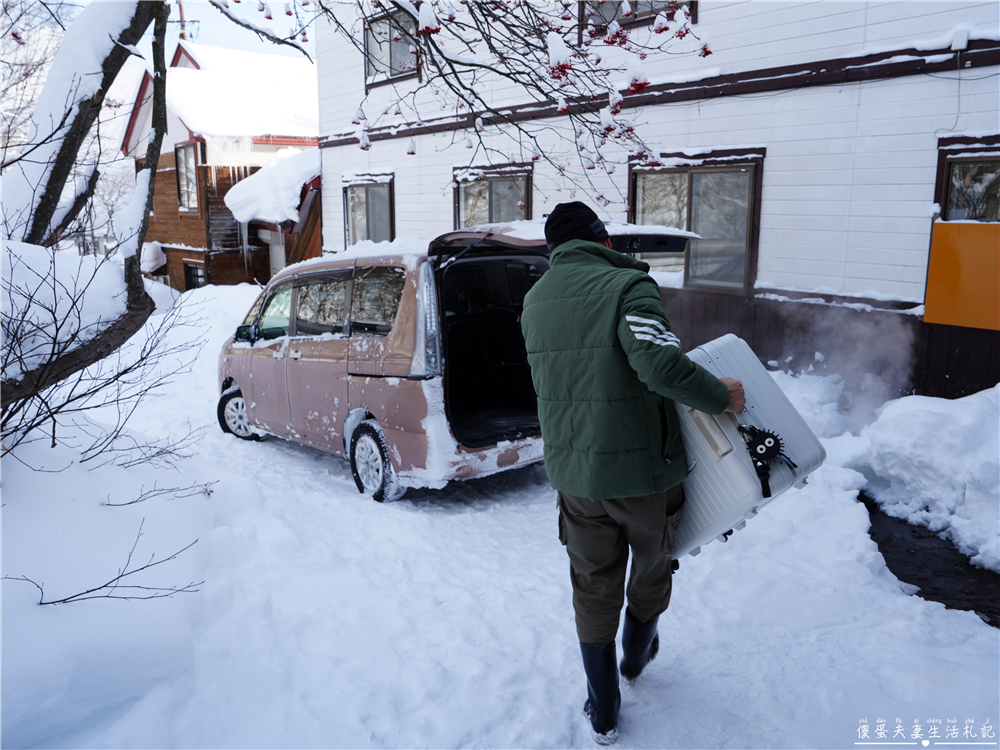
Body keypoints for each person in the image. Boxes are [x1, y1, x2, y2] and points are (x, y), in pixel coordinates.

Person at [520, 202, 745, 745]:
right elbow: (660, 365)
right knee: (650, 570)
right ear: (604, 242)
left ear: (555, 251)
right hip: (644, 475)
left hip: (576, 476)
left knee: (592, 585)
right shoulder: (627, 288)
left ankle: (603, 709)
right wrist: (721, 396)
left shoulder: (533, 300)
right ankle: (636, 659)